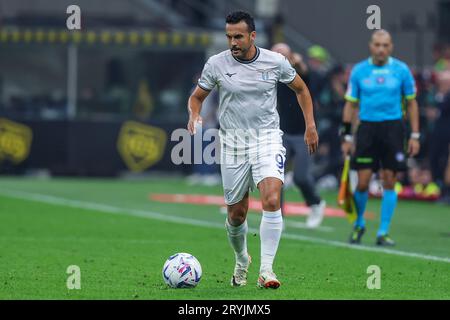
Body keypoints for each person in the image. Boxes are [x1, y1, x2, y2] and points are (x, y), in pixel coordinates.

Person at [187, 11, 318, 288]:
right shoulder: (216, 64)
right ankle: (241, 259)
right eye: (229, 36)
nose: (232, 42)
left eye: (238, 36)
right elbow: (197, 97)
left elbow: (301, 89)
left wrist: (310, 125)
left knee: (271, 199)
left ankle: (267, 270)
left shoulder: (275, 61)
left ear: (252, 36)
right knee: (237, 214)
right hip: (233, 144)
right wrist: (194, 115)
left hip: (267, 139)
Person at [341, 30, 420, 246]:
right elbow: (350, 104)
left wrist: (414, 135)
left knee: (389, 181)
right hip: (367, 129)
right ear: (371, 46)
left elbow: (412, 102)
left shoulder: (401, 70)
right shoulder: (359, 71)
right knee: (363, 183)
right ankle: (359, 223)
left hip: (394, 129)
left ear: (391, 47)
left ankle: (383, 232)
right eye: (377, 45)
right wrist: (346, 136)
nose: (381, 49)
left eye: (385, 45)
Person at [271, 43, 325, 228]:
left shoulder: (298, 73)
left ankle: (316, 203)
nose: (278, 57)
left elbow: (305, 73)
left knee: (301, 177)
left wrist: (298, 64)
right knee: (276, 177)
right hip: (282, 132)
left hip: (304, 133)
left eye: (282, 54)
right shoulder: (270, 75)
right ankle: (278, 217)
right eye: (275, 53)